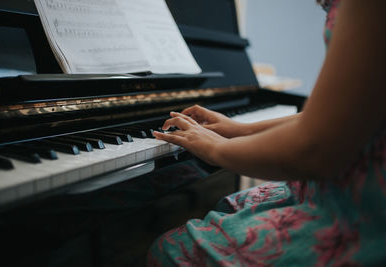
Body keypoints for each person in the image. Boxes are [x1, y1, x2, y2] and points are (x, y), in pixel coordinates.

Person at [148, 0, 386, 265]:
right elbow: (343, 110)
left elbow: (312, 151)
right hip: (339, 192)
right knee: (230, 204)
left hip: (361, 216)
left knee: (170, 250)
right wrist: (240, 129)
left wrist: (215, 149)